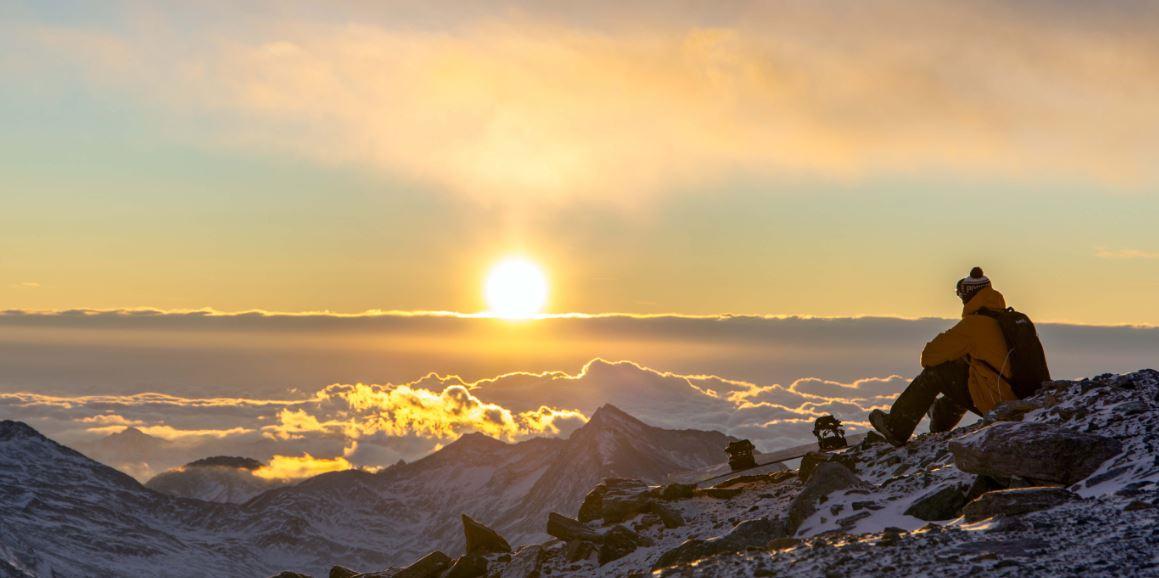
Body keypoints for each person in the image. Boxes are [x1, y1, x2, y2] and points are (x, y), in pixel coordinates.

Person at [869, 267, 1018, 446]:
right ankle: (940, 417)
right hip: (1021, 397)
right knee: (969, 370)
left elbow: (929, 357)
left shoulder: (974, 326)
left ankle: (896, 427)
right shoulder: (1009, 319)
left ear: (968, 296)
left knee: (936, 372)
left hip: (999, 402)